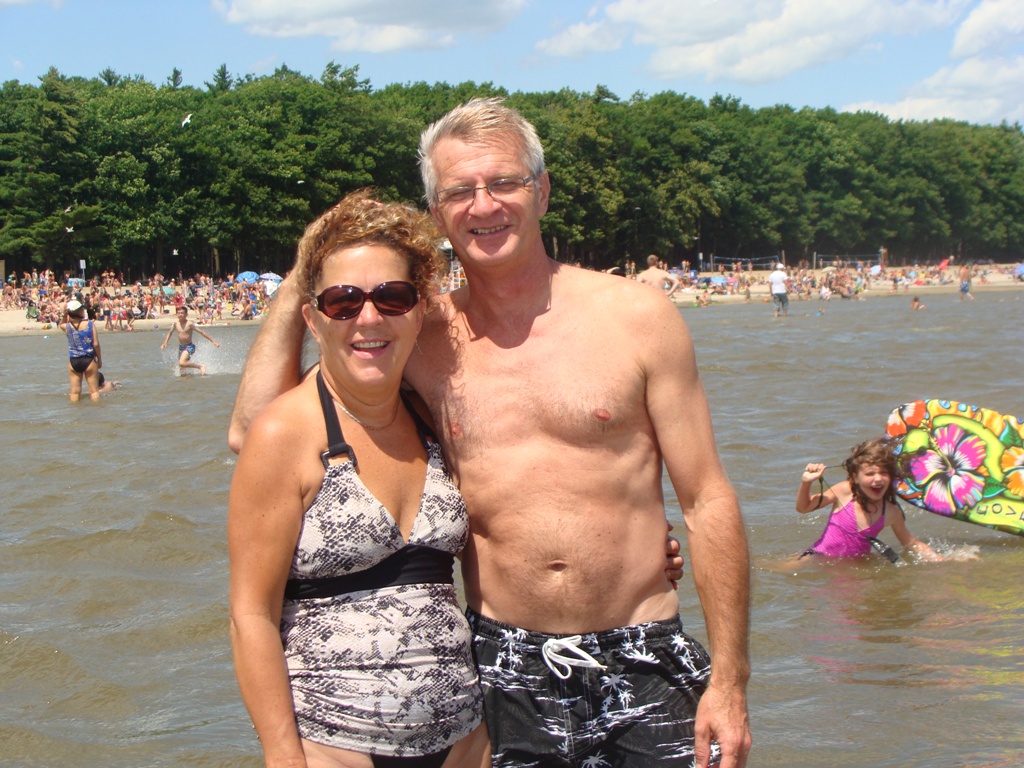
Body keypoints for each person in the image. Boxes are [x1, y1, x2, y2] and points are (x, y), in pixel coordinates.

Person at [229, 97, 750, 768]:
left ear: (542, 191)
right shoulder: (419, 335)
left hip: (643, 650)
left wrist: (730, 681)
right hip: (503, 668)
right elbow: (255, 428)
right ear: (437, 213)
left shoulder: (638, 317)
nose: (484, 205)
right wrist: (310, 268)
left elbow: (707, 499)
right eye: (459, 191)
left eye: (503, 182)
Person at [228, 191, 490, 768]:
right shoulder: (285, 433)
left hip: (467, 742)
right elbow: (250, 616)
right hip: (333, 745)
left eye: (392, 297)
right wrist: (283, 756)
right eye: (343, 302)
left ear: (418, 310)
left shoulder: (432, 416)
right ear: (313, 318)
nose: (369, 318)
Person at [794, 438, 943, 563]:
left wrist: (940, 560)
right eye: (870, 474)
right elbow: (803, 508)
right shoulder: (844, 491)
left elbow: (910, 542)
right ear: (855, 477)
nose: (878, 479)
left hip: (854, 569)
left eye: (884, 473)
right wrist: (806, 482)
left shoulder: (890, 512)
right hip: (817, 558)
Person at [58, 299, 102, 402]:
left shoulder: (67, 327)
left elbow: (61, 324)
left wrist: (65, 315)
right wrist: (99, 359)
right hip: (89, 360)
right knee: (94, 391)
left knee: (75, 392)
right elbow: (95, 344)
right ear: (79, 311)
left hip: (74, 360)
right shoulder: (90, 325)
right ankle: (97, 408)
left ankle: (75, 409)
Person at [160, 306, 219, 375]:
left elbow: (201, 332)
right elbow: (170, 333)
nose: (180, 315)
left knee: (181, 363)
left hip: (189, 346)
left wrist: (213, 341)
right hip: (181, 347)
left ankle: (200, 366)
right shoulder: (176, 323)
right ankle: (186, 379)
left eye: (182, 313)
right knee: (182, 370)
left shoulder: (189, 324)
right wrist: (165, 342)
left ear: (186, 315)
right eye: (178, 313)